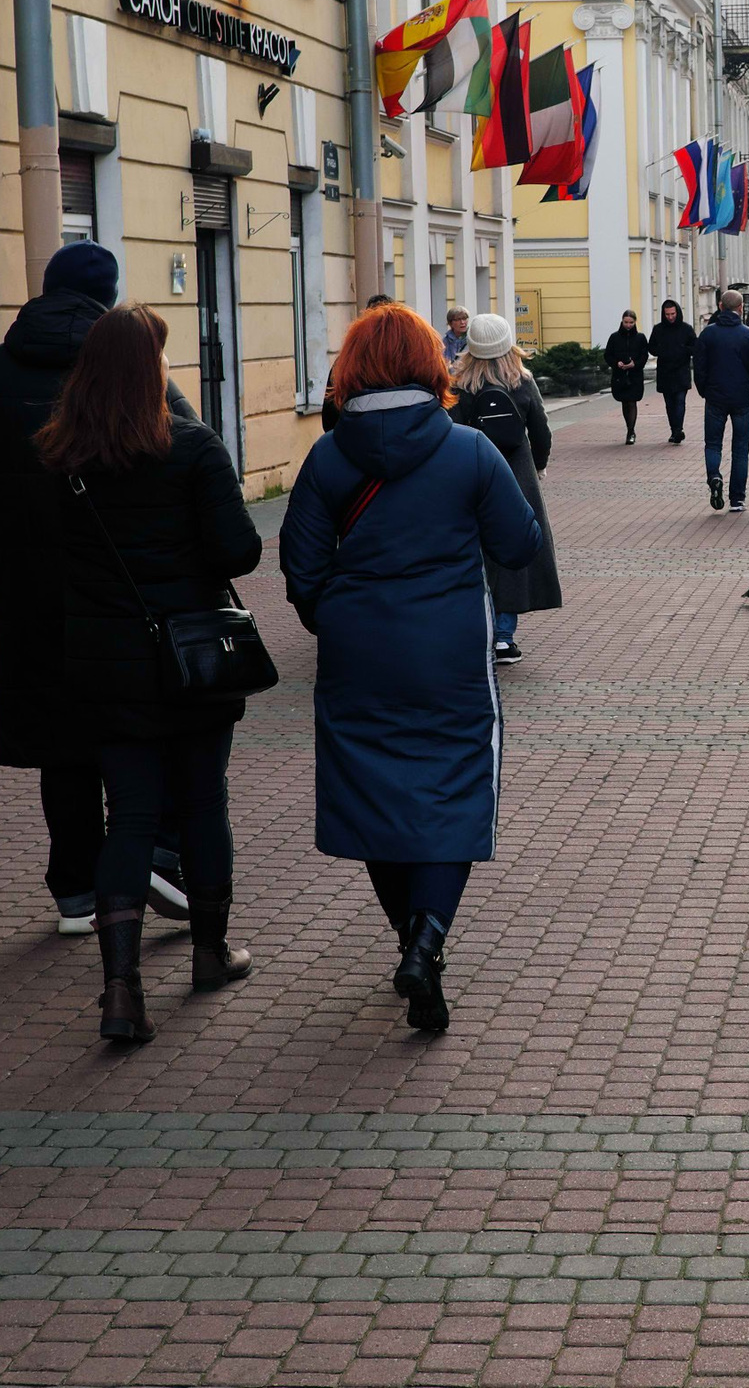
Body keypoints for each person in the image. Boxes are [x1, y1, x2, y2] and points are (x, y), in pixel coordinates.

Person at [279, 304, 541, 1035]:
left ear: (351, 369)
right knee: (455, 787)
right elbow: (520, 544)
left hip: (357, 652)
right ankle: (427, 941)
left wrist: (338, 618)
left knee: (374, 794)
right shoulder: (467, 451)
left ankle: (409, 940)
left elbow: (300, 571)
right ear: (434, 365)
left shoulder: (327, 458)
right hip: (452, 651)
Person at [0, 242, 194, 936]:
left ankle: (75, 889)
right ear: (107, 294)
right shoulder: (129, 365)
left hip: (28, 587)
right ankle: (141, 862)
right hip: (122, 584)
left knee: (60, 740)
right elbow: (192, 452)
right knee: (133, 726)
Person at [38, 304, 265, 1044]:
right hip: (191, 662)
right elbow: (239, 552)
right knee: (202, 805)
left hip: (104, 671)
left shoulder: (59, 456)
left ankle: (121, 989)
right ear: (152, 370)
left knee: (127, 818)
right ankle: (209, 948)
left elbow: (42, 564)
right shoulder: (193, 448)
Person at [449, 316, 561, 665]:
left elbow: (448, 431)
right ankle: (503, 637)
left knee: (473, 551)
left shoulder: (458, 385)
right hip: (516, 477)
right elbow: (541, 431)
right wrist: (539, 466)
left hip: (471, 475)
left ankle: (474, 629)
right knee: (511, 551)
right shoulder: (522, 381)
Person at [693, 289, 749, 513]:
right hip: (741, 398)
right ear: (740, 308)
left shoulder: (708, 334)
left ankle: (714, 476)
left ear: (720, 306)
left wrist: (704, 390)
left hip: (715, 397)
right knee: (740, 449)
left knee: (713, 444)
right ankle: (737, 499)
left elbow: (699, 367)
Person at [646, 299, 695, 445]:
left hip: (681, 370)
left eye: (672, 314)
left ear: (677, 312)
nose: (670, 317)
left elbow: (695, 346)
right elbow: (651, 347)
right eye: (667, 314)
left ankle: (678, 430)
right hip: (665, 371)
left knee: (680, 401)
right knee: (669, 403)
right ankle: (674, 430)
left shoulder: (686, 329)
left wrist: (683, 350)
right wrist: (662, 350)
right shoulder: (658, 329)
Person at [602, 310, 651, 445]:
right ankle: (629, 428)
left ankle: (631, 431)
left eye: (631, 322)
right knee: (624, 401)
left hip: (635, 375)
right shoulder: (614, 337)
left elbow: (644, 355)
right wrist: (616, 363)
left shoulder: (640, 338)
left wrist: (635, 364)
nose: (628, 325)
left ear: (635, 322)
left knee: (632, 401)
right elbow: (608, 355)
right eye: (626, 322)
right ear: (622, 321)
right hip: (620, 375)